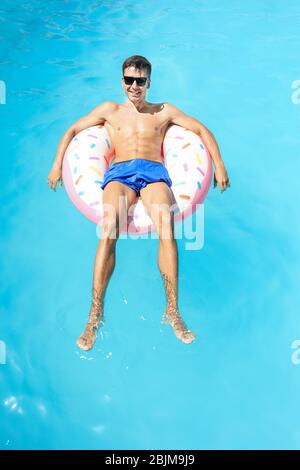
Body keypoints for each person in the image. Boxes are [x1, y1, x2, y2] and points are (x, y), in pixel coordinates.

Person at [47, 55, 230, 349]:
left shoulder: (163, 111)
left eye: (140, 81)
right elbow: (71, 130)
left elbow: (200, 129)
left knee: (167, 229)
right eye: (129, 80)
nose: (134, 86)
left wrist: (219, 164)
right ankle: (94, 316)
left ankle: (173, 312)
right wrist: (57, 164)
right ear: (122, 81)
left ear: (148, 83)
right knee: (109, 231)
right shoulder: (110, 110)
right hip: (120, 172)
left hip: (154, 172)